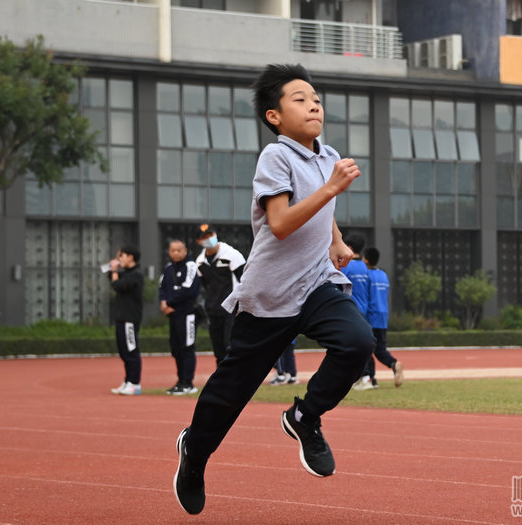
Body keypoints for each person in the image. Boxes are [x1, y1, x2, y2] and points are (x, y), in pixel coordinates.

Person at [173, 63, 375, 516]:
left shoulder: (327, 156)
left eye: (316, 97)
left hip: (316, 283)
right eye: (300, 99)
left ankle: (304, 417)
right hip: (270, 294)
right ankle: (195, 453)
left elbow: (323, 213)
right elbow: (281, 223)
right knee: (231, 392)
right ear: (274, 116)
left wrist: (337, 240)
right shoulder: (276, 157)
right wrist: (331, 188)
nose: (314, 104)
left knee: (358, 342)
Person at [194, 224, 246, 366]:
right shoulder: (199, 263)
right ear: (199, 241)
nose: (209, 239)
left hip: (232, 309)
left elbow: (244, 281)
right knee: (218, 350)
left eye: (210, 235)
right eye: (204, 237)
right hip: (213, 310)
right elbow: (206, 286)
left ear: (215, 234)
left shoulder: (232, 255)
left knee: (230, 346)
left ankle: (237, 381)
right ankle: (222, 383)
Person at [353, 246, 404, 390]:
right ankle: (392, 365)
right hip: (383, 317)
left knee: (366, 348)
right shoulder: (383, 275)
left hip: (370, 316)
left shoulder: (366, 275)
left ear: (367, 260)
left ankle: (370, 378)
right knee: (379, 349)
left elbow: (365, 296)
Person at [159, 239, 201, 395]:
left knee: (187, 347)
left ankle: (188, 383)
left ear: (185, 250)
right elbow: (162, 288)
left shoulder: (191, 266)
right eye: (172, 250)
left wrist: (169, 302)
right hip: (173, 315)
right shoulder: (168, 268)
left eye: (178, 250)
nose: (175, 253)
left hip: (188, 314)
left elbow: (189, 289)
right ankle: (180, 381)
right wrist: (163, 303)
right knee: (176, 348)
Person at [108, 245, 144, 396]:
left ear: (131, 257)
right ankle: (128, 380)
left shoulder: (136, 275)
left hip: (130, 319)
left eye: (122, 256)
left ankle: (135, 383)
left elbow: (117, 286)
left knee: (131, 351)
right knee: (123, 351)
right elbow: (112, 279)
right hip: (121, 318)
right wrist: (114, 268)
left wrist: (115, 271)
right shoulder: (127, 273)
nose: (120, 259)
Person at [340, 234, 370, 318]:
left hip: (348, 310)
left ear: (350, 248)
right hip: (363, 311)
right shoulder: (364, 267)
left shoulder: (344, 266)